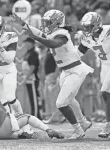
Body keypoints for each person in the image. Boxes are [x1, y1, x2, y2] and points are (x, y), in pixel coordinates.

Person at [11, 9, 93, 139]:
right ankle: (83, 122)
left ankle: (78, 130)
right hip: (66, 71)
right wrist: (23, 24)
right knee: (70, 99)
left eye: (48, 22)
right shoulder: (54, 32)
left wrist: (36, 37)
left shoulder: (62, 33)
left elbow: (54, 43)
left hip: (75, 70)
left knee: (61, 103)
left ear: (57, 22)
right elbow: (38, 32)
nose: (45, 25)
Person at [0, 82, 64, 140]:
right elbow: (3, 111)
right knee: (27, 117)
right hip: (6, 125)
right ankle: (48, 130)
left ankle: (18, 135)